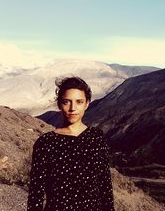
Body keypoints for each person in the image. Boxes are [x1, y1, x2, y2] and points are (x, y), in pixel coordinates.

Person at [27, 76, 115, 211]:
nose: (73, 108)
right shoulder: (46, 143)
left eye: (79, 102)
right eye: (67, 102)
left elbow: (105, 185)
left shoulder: (96, 137)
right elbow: (36, 193)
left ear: (87, 104)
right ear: (59, 104)